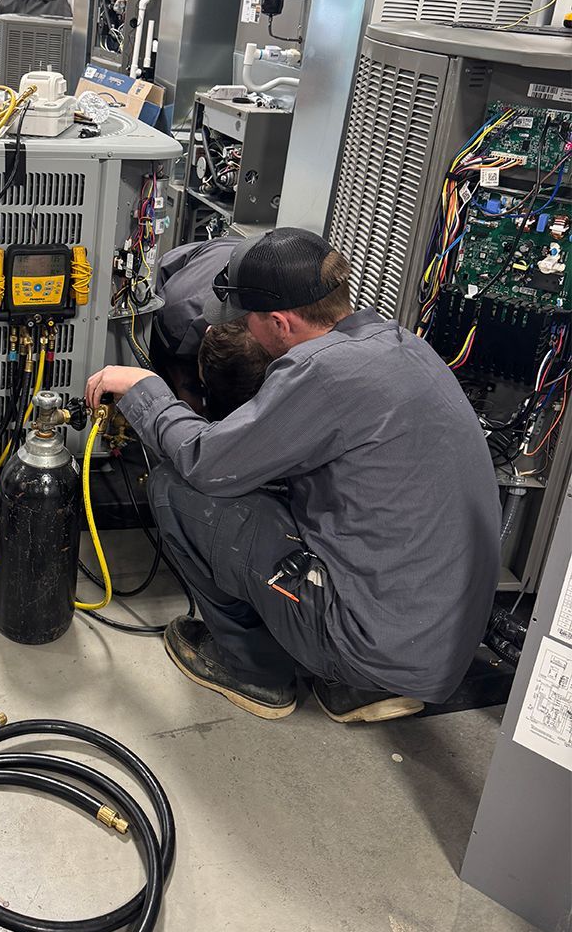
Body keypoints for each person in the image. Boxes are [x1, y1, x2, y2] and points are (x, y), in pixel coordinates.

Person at [86, 227, 502, 723]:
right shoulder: (400, 345)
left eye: (248, 319)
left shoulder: (322, 371)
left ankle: (253, 669)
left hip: (372, 645)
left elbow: (207, 463)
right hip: (431, 642)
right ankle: (355, 688)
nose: (242, 328)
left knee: (176, 489)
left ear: (281, 323)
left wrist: (145, 389)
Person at [149, 237, 243, 412]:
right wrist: (190, 403)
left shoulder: (271, 335)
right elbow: (172, 365)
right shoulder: (176, 319)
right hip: (187, 272)